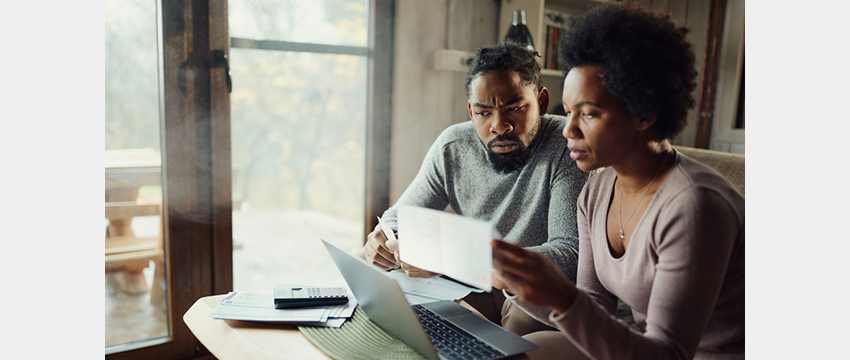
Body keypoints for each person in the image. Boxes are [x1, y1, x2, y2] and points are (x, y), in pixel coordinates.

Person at [491, 3, 744, 360]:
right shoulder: (595, 192)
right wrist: (518, 286)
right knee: (506, 353)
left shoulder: (694, 205)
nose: (568, 129)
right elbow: (594, 307)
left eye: (589, 113)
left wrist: (563, 297)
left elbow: (669, 354)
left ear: (644, 113)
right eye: (567, 111)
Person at [357, 41, 592, 335]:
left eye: (515, 108)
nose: (499, 126)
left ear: (542, 102)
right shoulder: (454, 146)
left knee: (526, 319)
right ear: (470, 110)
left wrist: (452, 256)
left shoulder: (568, 147)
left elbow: (570, 256)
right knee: (388, 294)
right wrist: (383, 240)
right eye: (483, 113)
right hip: (472, 279)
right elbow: (399, 216)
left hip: (534, 289)